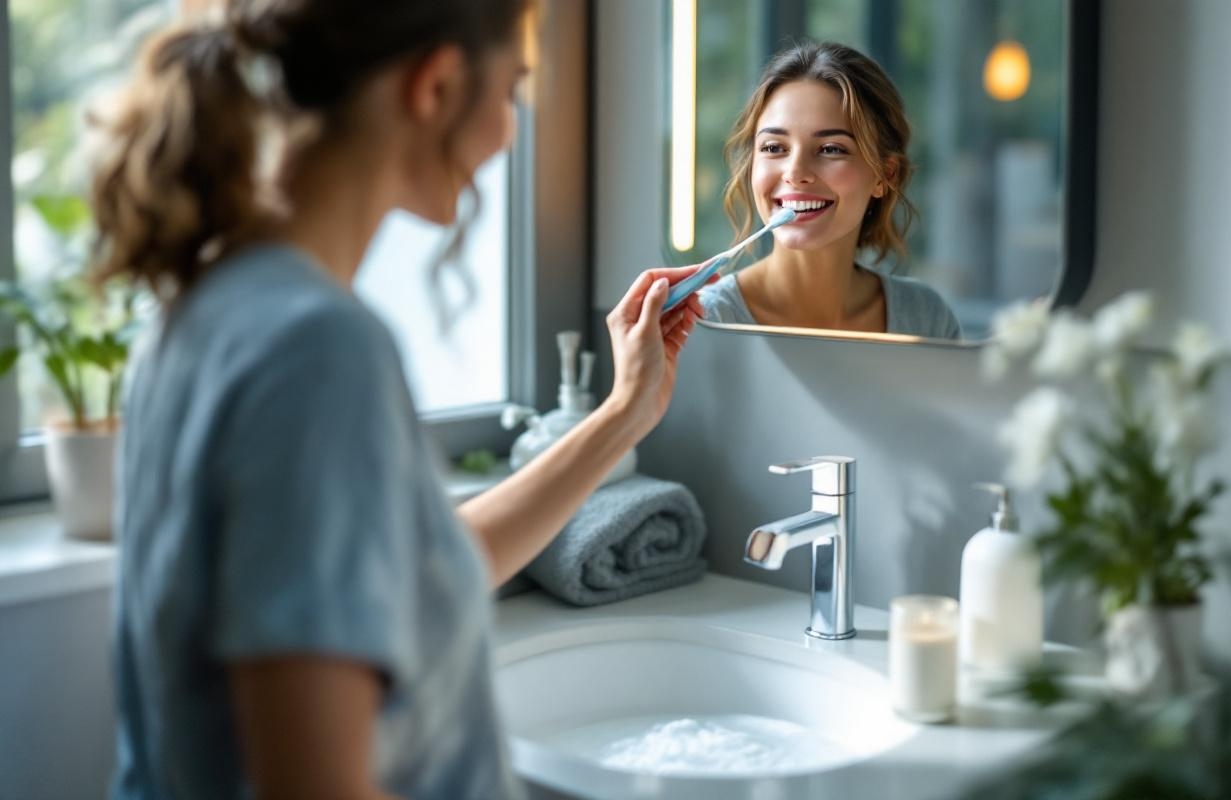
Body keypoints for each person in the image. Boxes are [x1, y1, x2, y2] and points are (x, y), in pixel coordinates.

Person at [91, 2, 706, 797]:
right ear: (438, 84)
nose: (512, 131)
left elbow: (422, 569)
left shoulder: (203, 309)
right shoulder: (316, 350)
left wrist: (623, 414)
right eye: (515, 89)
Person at [698, 41, 962, 340]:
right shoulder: (703, 322)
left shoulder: (927, 320)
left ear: (884, 176)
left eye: (830, 149)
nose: (795, 173)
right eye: (774, 147)